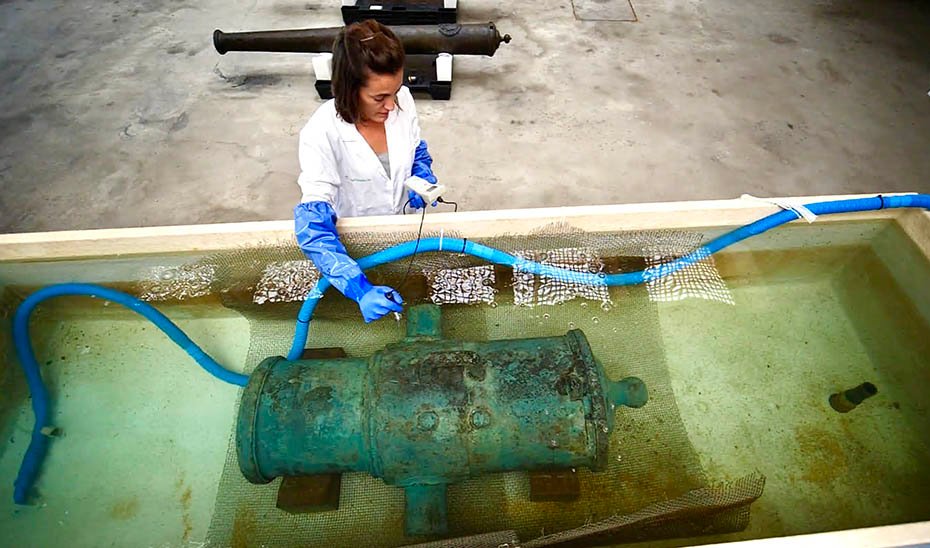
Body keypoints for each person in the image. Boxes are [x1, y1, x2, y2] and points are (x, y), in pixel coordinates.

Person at [293, 20, 439, 323]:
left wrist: (421, 177)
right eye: (378, 98)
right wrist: (358, 289)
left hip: (404, 231)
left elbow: (416, 148)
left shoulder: (403, 102)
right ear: (349, 89)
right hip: (356, 248)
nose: (391, 105)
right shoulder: (320, 134)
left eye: (395, 92)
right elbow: (313, 226)